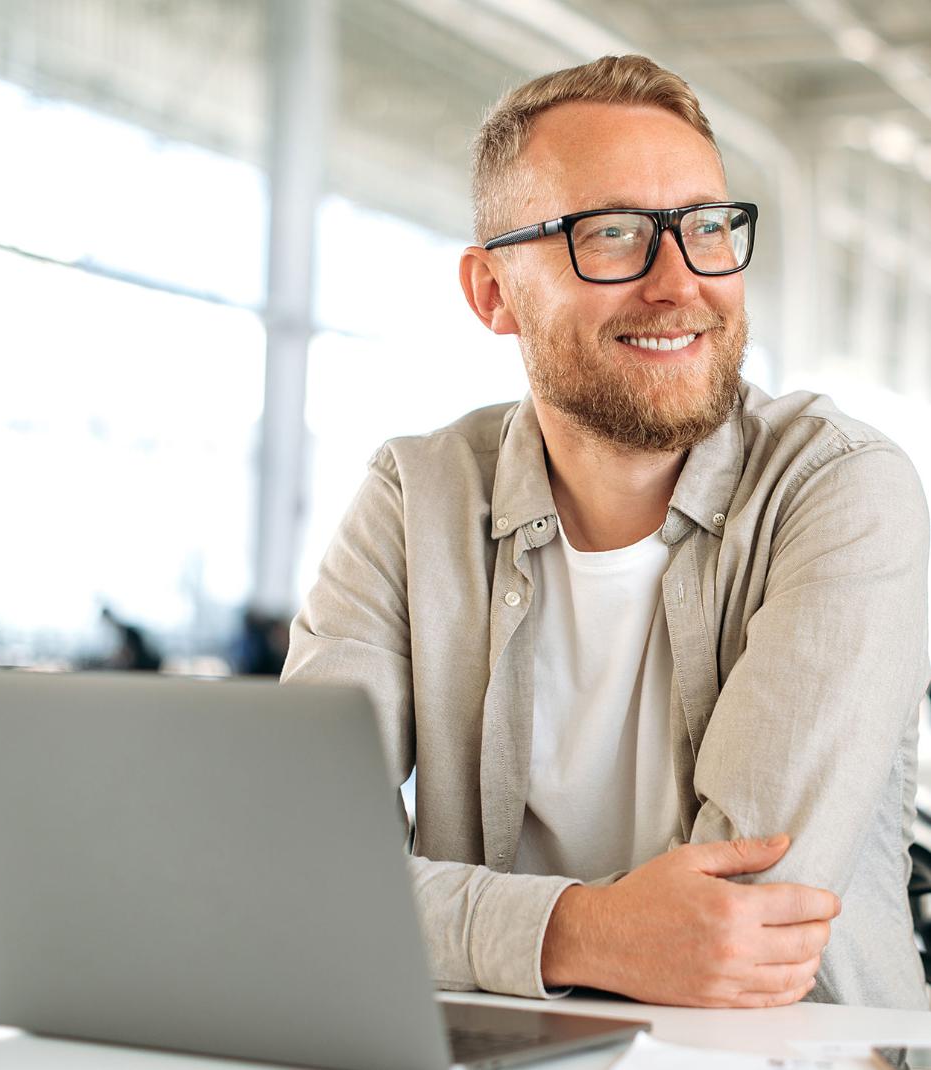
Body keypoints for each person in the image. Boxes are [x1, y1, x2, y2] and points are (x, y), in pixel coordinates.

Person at [281, 55, 930, 1010]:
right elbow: (298, 867)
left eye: (708, 226)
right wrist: (584, 933)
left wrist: (449, 923)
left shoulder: (840, 488)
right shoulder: (415, 496)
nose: (681, 282)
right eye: (614, 234)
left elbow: (736, 921)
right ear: (492, 292)